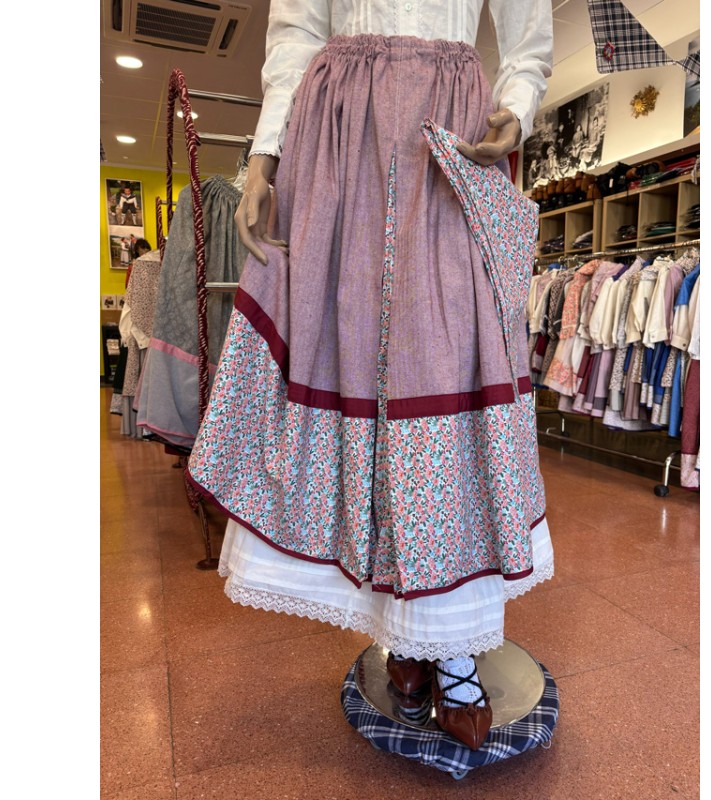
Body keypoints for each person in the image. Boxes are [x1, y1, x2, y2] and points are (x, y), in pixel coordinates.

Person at [188, 0, 555, 752]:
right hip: (339, 136)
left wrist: (514, 105)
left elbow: (528, 32)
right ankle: (406, 638)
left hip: (450, 130)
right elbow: (297, 31)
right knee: (347, 348)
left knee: (445, 366)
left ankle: (449, 640)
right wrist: (264, 158)